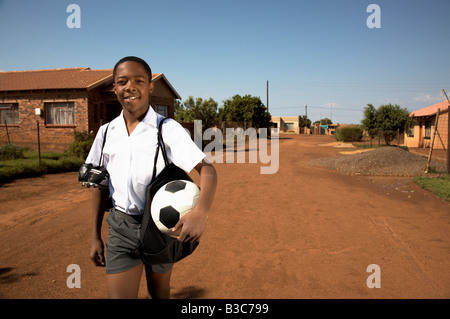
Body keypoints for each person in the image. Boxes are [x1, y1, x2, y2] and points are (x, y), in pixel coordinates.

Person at [85, 56, 217, 299]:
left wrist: (201, 213)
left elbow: (207, 169)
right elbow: (99, 185)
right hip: (120, 227)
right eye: (122, 81)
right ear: (114, 87)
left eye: (139, 80)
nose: (130, 87)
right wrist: (95, 236)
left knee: (159, 293)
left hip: (159, 228)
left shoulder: (166, 129)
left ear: (150, 86)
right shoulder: (105, 133)